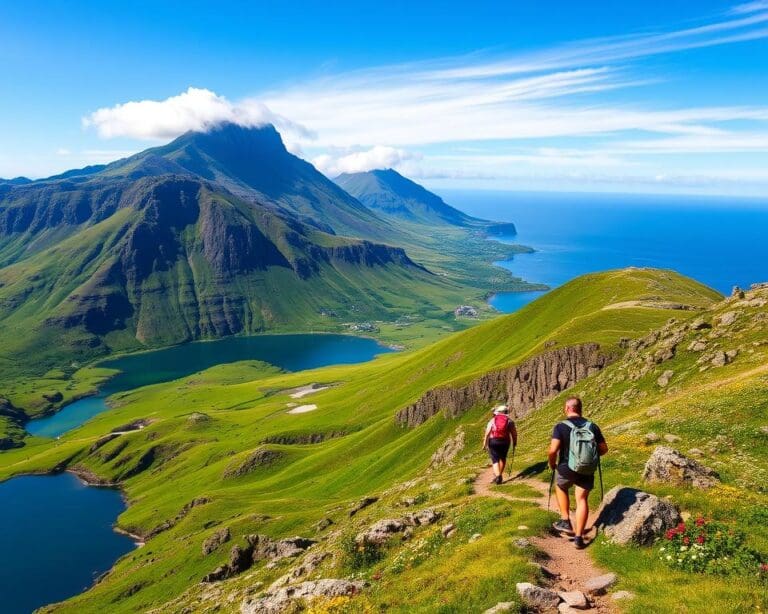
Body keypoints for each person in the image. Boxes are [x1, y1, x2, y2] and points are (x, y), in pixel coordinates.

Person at [548, 395, 608, 549]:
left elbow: (553, 450)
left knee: (561, 487)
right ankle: (579, 537)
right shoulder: (592, 426)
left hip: (566, 468)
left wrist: (552, 463)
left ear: (568, 408)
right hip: (587, 469)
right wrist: (590, 457)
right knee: (582, 499)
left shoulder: (560, 426)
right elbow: (603, 449)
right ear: (580, 409)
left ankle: (565, 520)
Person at [482, 404, 517, 485]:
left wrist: (484, 443)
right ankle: (499, 475)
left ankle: (498, 476)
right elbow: (514, 433)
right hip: (505, 442)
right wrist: (515, 442)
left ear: (498, 412)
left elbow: (487, 433)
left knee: (495, 459)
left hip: (493, 441)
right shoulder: (510, 421)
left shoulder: (493, 420)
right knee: (502, 458)